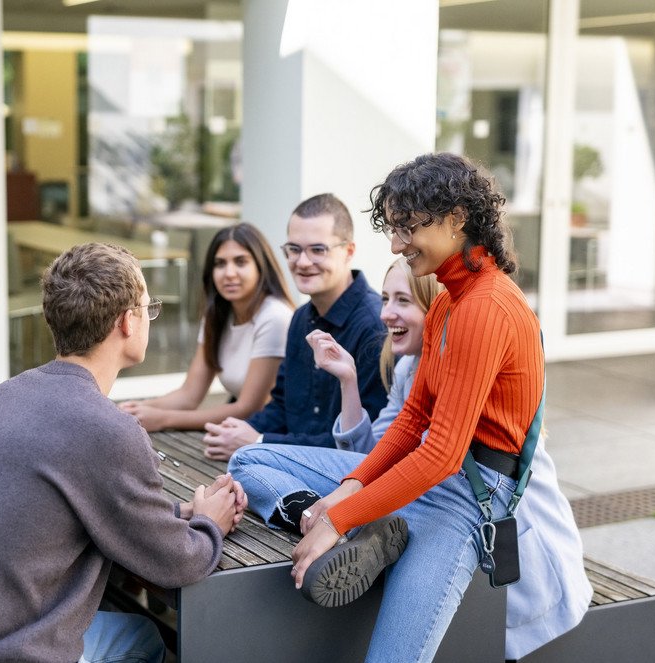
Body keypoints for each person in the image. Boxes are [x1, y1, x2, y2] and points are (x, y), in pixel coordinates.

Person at [289, 153, 590, 662]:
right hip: (435, 479)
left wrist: (339, 519)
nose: (396, 244)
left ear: (457, 219)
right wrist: (349, 490)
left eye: (407, 227)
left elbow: (443, 453)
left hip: (471, 496)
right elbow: (412, 421)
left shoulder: (484, 306)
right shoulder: (451, 300)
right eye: (393, 228)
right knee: (251, 463)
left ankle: (373, 531)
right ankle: (374, 530)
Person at [0, 242, 246, 663]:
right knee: (144, 640)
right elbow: (178, 562)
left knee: (136, 630)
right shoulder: (106, 428)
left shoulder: (5, 395)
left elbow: (75, 506)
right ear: (127, 321)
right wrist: (210, 524)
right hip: (0, 653)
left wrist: (181, 513)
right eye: (148, 308)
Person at [228, 257, 441, 531]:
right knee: (246, 464)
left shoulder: (441, 367)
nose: (386, 313)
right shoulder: (406, 368)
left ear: (435, 306)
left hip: (423, 497)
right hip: (382, 485)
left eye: (403, 300)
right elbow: (367, 455)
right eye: (385, 299)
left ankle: (330, 522)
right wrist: (347, 379)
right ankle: (314, 518)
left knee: (244, 459)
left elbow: (419, 464)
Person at [202, 193, 388, 460]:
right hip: (288, 463)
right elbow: (281, 405)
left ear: (348, 251)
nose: (302, 262)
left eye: (317, 250)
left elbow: (363, 443)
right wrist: (238, 431)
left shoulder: (376, 325)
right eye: (294, 249)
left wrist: (259, 440)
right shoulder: (300, 318)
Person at [120, 222, 294, 431]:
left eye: (240, 262)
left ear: (261, 266)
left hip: (274, 432)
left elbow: (249, 408)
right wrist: (137, 408)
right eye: (220, 264)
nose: (229, 273)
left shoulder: (275, 317)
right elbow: (189, 395)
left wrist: (163, 419)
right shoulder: (218, 315)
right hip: (238, 428)